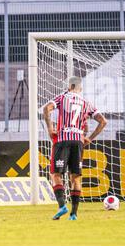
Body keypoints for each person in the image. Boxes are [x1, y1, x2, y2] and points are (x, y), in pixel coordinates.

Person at [42, 76, 107, 221]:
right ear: (80, 89)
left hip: (62, 139)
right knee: (75, 177)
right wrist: (89, 138)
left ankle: (61, 206)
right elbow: (103, 121)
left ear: (69, 86)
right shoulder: (85, 103)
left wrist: (50, 128)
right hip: (78, 141)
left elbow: (46, 109)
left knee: (55, 175)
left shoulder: (62, 97)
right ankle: (74, 214)